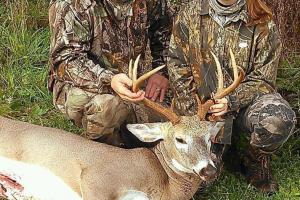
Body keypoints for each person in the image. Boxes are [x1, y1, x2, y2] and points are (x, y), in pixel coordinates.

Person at [167, 0, 296, 194]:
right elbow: (176, 63)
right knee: (201, 185)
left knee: (278, 119)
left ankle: (253, 160)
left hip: (244, 105)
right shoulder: (190, 13)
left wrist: (232, 100)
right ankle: (220, 151)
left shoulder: (262, 20)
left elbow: (264, 79)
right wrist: (197, 112)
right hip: (202, 110)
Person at [48, 0, 173, 145]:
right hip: (87, 83)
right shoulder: (73, 4)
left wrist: (161, 70)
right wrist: (109, 79)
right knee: (105, 110)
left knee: (169, 121)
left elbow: (164, 31)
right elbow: (65, 61)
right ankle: (103, 153)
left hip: (132, 82)